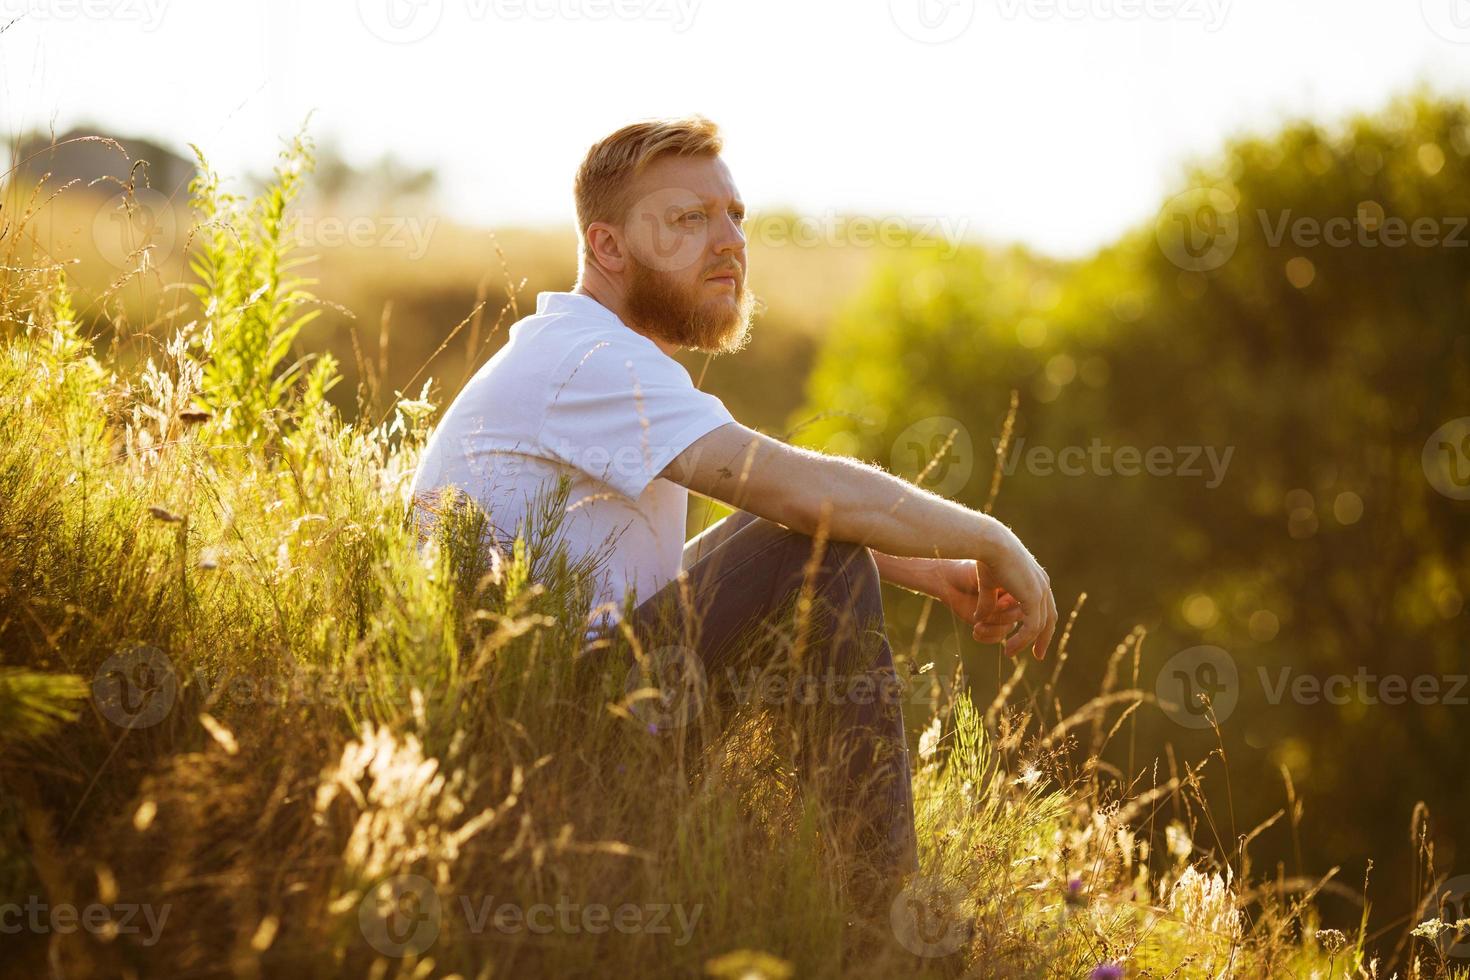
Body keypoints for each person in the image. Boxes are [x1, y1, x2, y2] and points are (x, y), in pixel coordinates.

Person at [409, 115, 1056, 901]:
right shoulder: (586, 361)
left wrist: (926, 566)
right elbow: (789, 492)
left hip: (561, 711)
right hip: (546, 745)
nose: (729, 243)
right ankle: (889, 918)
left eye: (734, 217)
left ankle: (845, 891)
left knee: (812, 543)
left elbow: (752, 530)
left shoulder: (588, 353)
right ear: (608, 247)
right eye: (688, 219)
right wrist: (990, 538)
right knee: (813, 551)